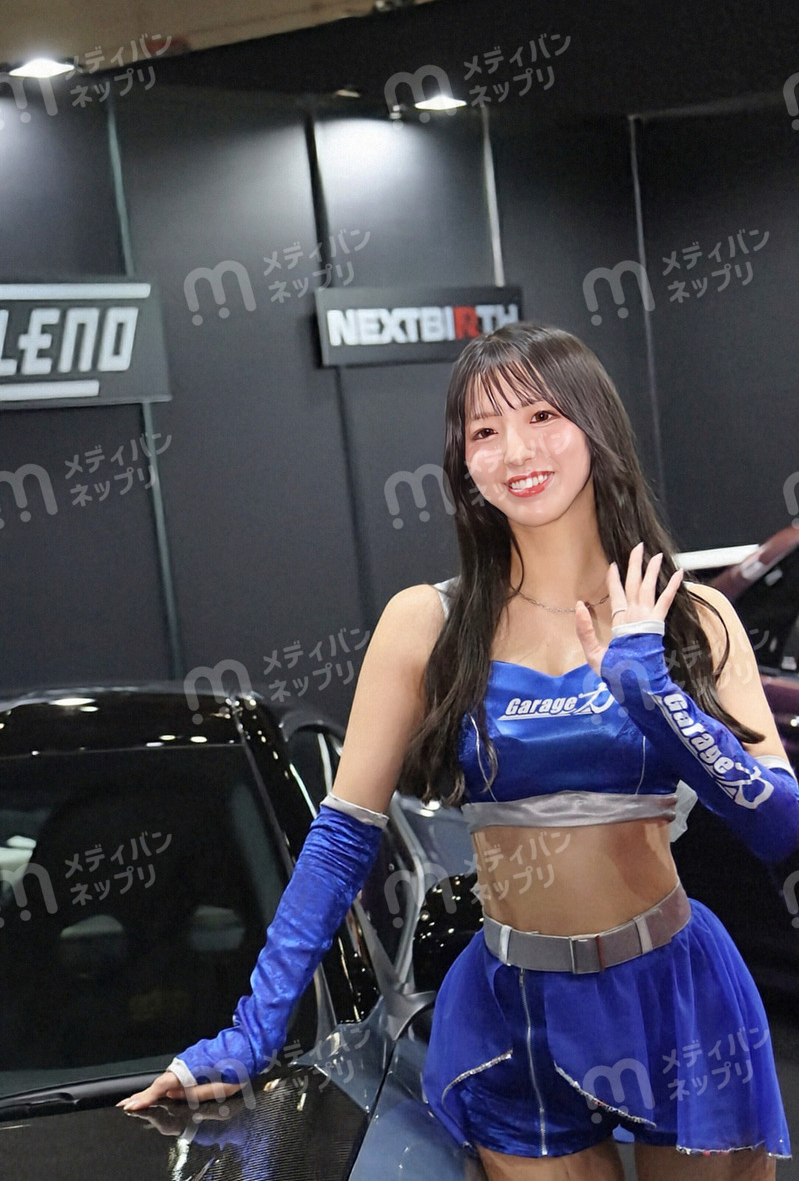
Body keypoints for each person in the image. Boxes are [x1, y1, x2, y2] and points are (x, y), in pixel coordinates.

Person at [119, 323, 799, 1179]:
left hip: (673, 996)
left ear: (595, 426)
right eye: (484, 430)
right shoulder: (427, 624)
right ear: (462, 461)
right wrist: (248, 1034)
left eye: (542, 416)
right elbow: (341, 837)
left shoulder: (691, 615)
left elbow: (779, 825)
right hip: (511, 1011)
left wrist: (652, 694)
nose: (515, 450)